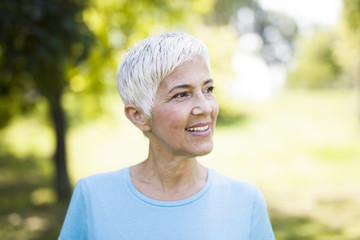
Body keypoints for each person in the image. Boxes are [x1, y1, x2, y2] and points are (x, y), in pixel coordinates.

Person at [58, 32, 275, 240]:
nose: (205, 107)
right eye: (181, 94)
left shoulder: (246, 202)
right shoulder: (93, 197)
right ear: (139, 116)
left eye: (208, 89)